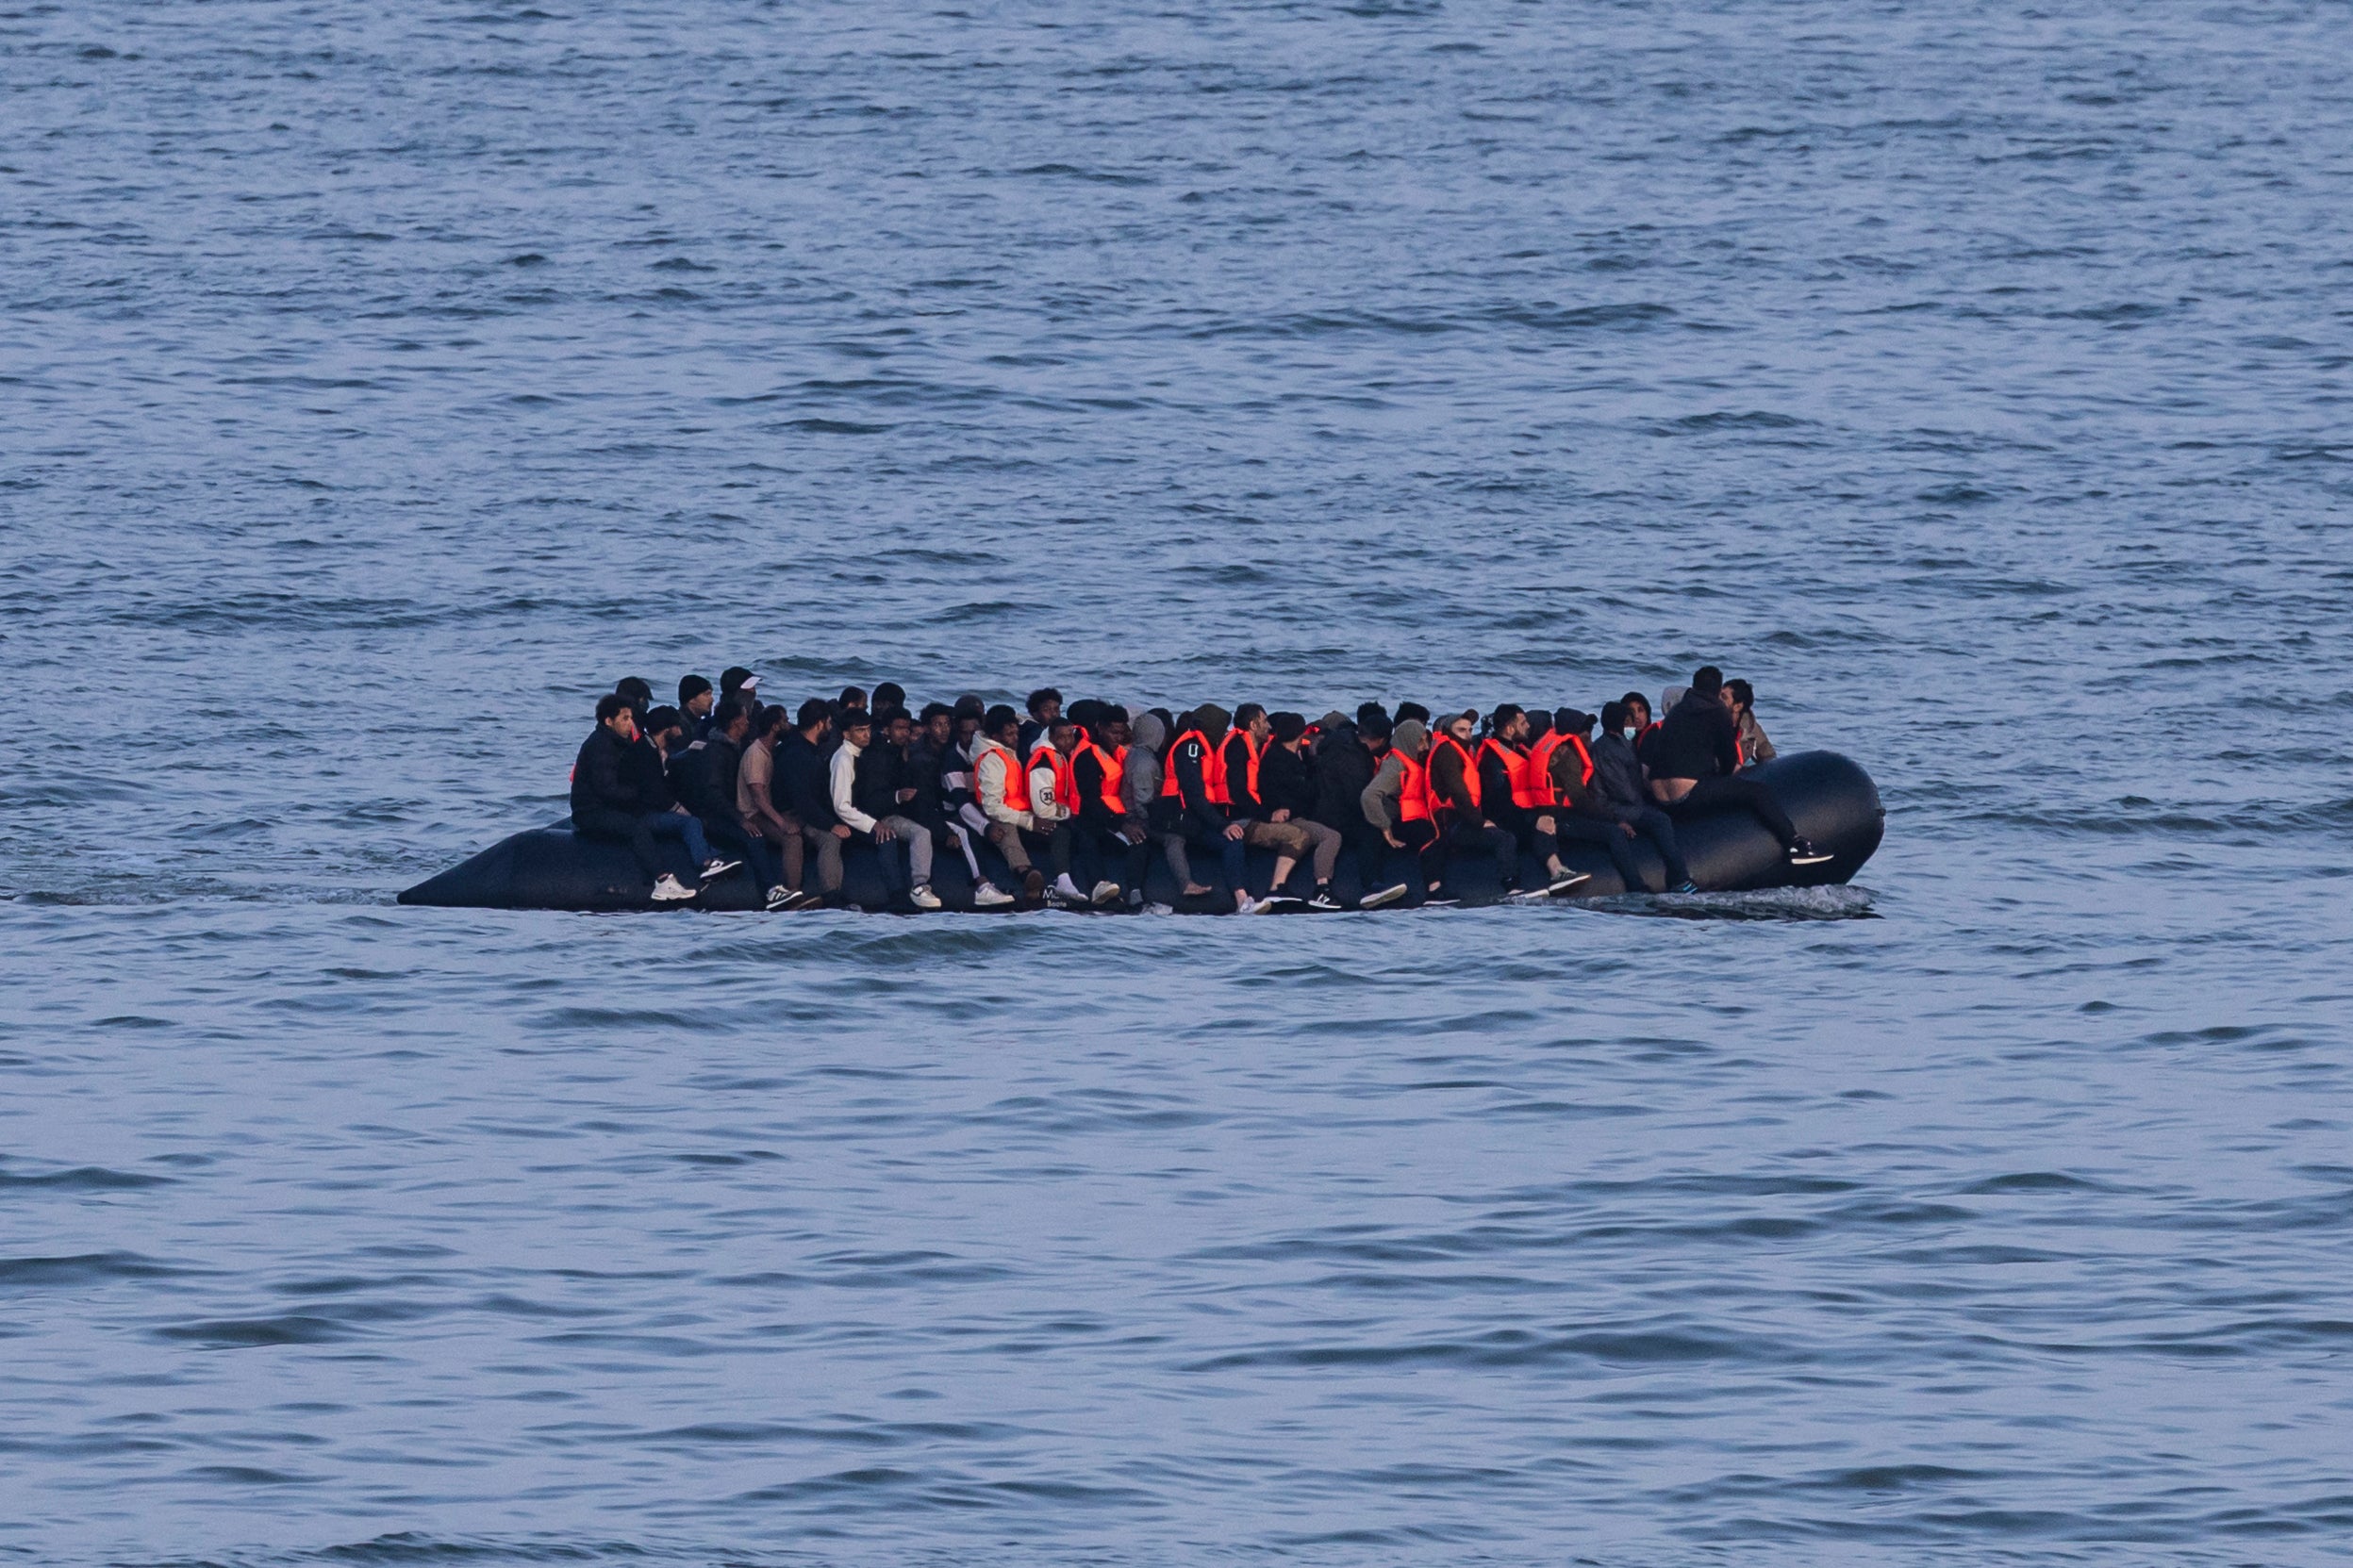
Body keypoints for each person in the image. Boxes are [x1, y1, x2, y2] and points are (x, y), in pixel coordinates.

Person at [1648, 667, 1828, 864]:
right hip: (1685, 797)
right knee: (1757, 791)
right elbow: (1728, 761)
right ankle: (1795, 844)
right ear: (1716, 691)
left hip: (1659, 798)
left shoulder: (1676, 711)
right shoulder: (1716, 712)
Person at [569, 694, 735, 902]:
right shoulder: (601, 746)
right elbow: (607, 789)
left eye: (631, 718)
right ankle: (661, 879)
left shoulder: (619, 743)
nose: (630, 724)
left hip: (608, 807)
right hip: (592, 812)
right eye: (624, 719)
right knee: (637, 828)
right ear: (608, 721)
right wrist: (640, 795)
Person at [684, 694, 786, 900]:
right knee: (754, 838)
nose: (748, 723)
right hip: (712, 819)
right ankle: (770, 889)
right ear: (735, 723)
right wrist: (740, 820)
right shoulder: (717, 753)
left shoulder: (733, 748)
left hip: (726, 813)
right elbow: (713, 794)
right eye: (745, 719)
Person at [837, 708, 937, 910]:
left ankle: (916, 887)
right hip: (870, 816)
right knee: (897, 836)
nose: (905, 733)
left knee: (921, 831)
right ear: (886, 730)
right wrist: (893, 802)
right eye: (899, 728)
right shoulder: (861, 757)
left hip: (882, 813)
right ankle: (907, 890)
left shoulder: (898, 752)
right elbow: (854, 803)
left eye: (907, 729)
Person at [1218, 703, 1317, 911]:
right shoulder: (1238, 748)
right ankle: (1276, 889)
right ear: (1253, 725)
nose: (1268, 726)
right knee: (1298, 835)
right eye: (1264, 721)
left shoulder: (1257, 747)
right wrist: (1268, 815)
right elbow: (1238, 792)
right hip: (1239, 820)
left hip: (1250, 815)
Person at [1485, 704, 1590, 897]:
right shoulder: (1492, 757)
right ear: (1510, 729)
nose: (1528, 726)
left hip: (1524, 812)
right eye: (1523, 723)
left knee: (1547, 818)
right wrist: (1536, 818)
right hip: (1505, 817)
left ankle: (1559, 869)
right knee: (1540, 825)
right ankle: (1555, 872)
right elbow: (1496, 800)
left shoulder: (1520, 750)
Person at [1593, 701, 1696, 892]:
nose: (1630, 725)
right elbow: (1620, 788)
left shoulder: (1622, 743)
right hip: (1616, 806)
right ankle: (1681, 879)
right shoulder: (1606, 749)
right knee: (1661, 820)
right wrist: (1639, 808)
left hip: (1629, 803)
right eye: (1626, 720)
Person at [1420, 710, 1521, 898]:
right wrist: (1479, 821)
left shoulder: (1464, 751)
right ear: (1448, 731)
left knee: (1507, 833)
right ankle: (1511, 885)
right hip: (1451, 824)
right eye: (1461, 730)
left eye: (1470, 729)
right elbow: (1457, 791)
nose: (1468, 734)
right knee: (1504, 839)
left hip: (1462, 819)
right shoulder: (1447, 752)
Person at [970, 705, 1066, 903]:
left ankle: (1064, 875)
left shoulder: (1010, 752)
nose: (1015, 737)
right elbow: (992, 807)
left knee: (1056, 829)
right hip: (997, 814)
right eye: (1009, 734)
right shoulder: (991, 760)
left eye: (1016, 732)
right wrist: (1029, 822)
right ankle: (1025, 872)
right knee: (1007, 830)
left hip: (1019, 810)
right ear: (996, 736)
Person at [1259, 712, 1343, 909]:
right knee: (1331, 836)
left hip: (1293, 813)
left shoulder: (1279, 755)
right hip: (1293, 818)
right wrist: (1314, 760)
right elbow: (1307, 791)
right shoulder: (1283, 761)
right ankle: (1322, 888)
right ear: (1300, 734)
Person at [737, 702, 812, 910]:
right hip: (753, 814)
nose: (789, 725)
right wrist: (782, 823)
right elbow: (758, 798)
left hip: (768, 810)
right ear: (775, 726)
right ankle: (790, 892)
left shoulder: (772, 751)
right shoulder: (756, 754)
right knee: (792, 838)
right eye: (785, 721)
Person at [776, 698, 850, 906]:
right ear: (819, 723)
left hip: (803, 810)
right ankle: (831, 893)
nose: (830, 728)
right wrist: (831, 825)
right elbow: (803, 802)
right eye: (828, 723)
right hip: (792, 814)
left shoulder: (803, 748)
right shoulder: (798, 755)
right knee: (830, 839)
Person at [1127, 711, 1203, 906]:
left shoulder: (1138, 755)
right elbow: (1142, 802)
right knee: (1174, 838)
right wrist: (1161, 823)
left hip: (1139, 815)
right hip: (1139, 820)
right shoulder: (1144, 763)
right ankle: (1185, 883)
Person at [1070, 708, 1145, 907]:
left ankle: (1134, 891)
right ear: (1100, 728)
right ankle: (1100, 886)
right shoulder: (1087, 756)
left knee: (1142, 837)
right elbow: (1090, 801)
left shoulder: (1117, 752)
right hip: (1087, 817)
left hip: (1114, 814)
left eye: (1122, 733)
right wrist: (1122, 825)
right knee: (1131, 841)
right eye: (1114, 732)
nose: (1118, 737)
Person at [1356, 718, 1431, 908]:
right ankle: (1371, 887)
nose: (1425, 746)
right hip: (1386, 818)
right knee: (1370, 837)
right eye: (1420, 742)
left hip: (1404, 816)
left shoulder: (1415, 761)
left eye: (1426, 741)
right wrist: (1384, 827)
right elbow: (1369, 795)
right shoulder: (1394, 765)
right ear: (1408, 741)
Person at [1726, 678, 1777, 767]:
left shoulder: (1750, 727)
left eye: (1724, 697)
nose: (1717, 700)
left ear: (1737, 707)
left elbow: (1768, 756)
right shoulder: (1710, 721)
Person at [1019, 687, 1063, 754]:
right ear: (1035, 713)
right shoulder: (1036, 734)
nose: (1054, 714)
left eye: (1056, 709)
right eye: (1047, 709)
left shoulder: (1027, 727)